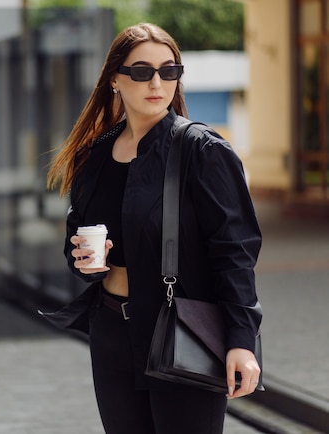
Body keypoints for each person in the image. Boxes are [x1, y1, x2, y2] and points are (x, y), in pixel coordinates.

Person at [42, 23, 263, 434]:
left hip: (182, 330)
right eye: (141, 71)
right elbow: (78, 233)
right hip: (111, 329)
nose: (156, 82)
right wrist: (84, 261)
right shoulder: (96, 155)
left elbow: (235, 251)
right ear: (115, 79)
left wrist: (241, 340)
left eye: (168, 70)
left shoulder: (202, 150)